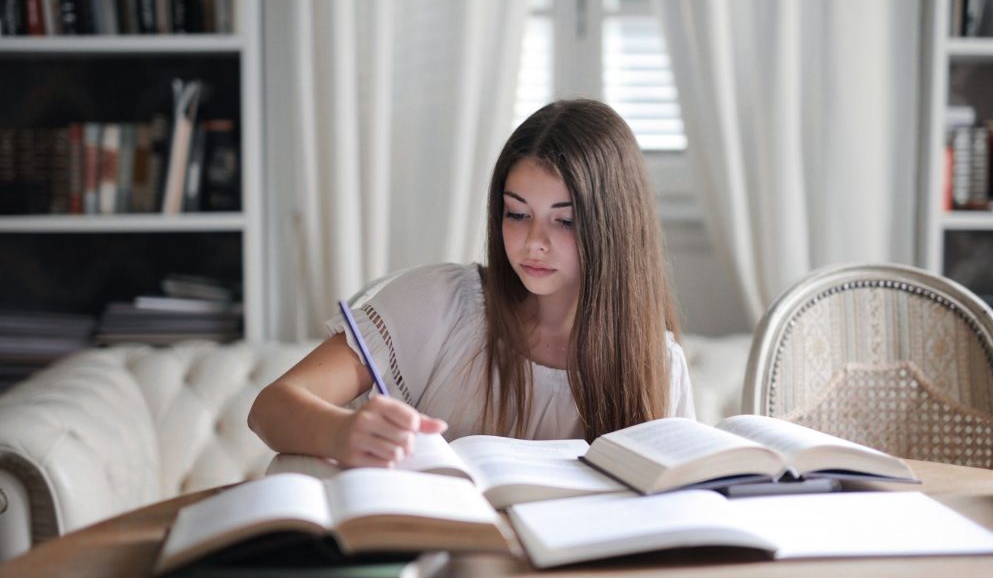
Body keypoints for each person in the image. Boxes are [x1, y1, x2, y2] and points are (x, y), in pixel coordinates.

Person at [248, 98, 695, 468]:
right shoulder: (440, 304)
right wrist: (343, 432)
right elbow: (270, 408)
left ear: (613, 228)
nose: (534, 243)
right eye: (517, 214)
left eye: (565, 222)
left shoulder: (656, 365)